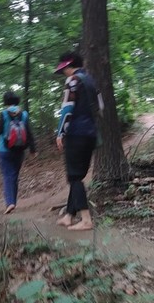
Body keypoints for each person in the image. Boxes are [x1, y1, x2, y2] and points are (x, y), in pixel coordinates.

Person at [53, 51, 100, 231]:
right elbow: (101, 106)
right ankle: (69, 216)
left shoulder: (72, 80)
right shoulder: (91, 81)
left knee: (74, 177)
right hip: (91, 134)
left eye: (63, 69)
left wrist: (60, 133)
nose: (63, 72)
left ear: (69, 65)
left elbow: (67, 109)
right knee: (77, 176)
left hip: (75, 133)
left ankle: (86, 219)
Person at [0, 91, 37, 215]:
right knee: (14, 176)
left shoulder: (4, 113)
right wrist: (33, 149)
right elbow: (29, 133)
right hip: (19, 150)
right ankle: (13, 201)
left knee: (7, 175)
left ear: (5, 102)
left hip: (4, 150)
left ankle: (10, 203)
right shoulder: (24, 114)